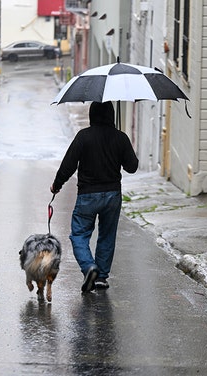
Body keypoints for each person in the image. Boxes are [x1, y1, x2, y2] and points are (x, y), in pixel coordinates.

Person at [50, 101, 139, 292]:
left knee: (79, 235)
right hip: (112, 195)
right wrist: (122, 143)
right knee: (107, 236)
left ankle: (89, 267)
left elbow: (69, 164)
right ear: (111, 115)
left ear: (92, 115)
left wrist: (57, 184)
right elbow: (132, 167)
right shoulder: (120, 137)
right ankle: (101, 277)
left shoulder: (84, 136)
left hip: (88, 195)